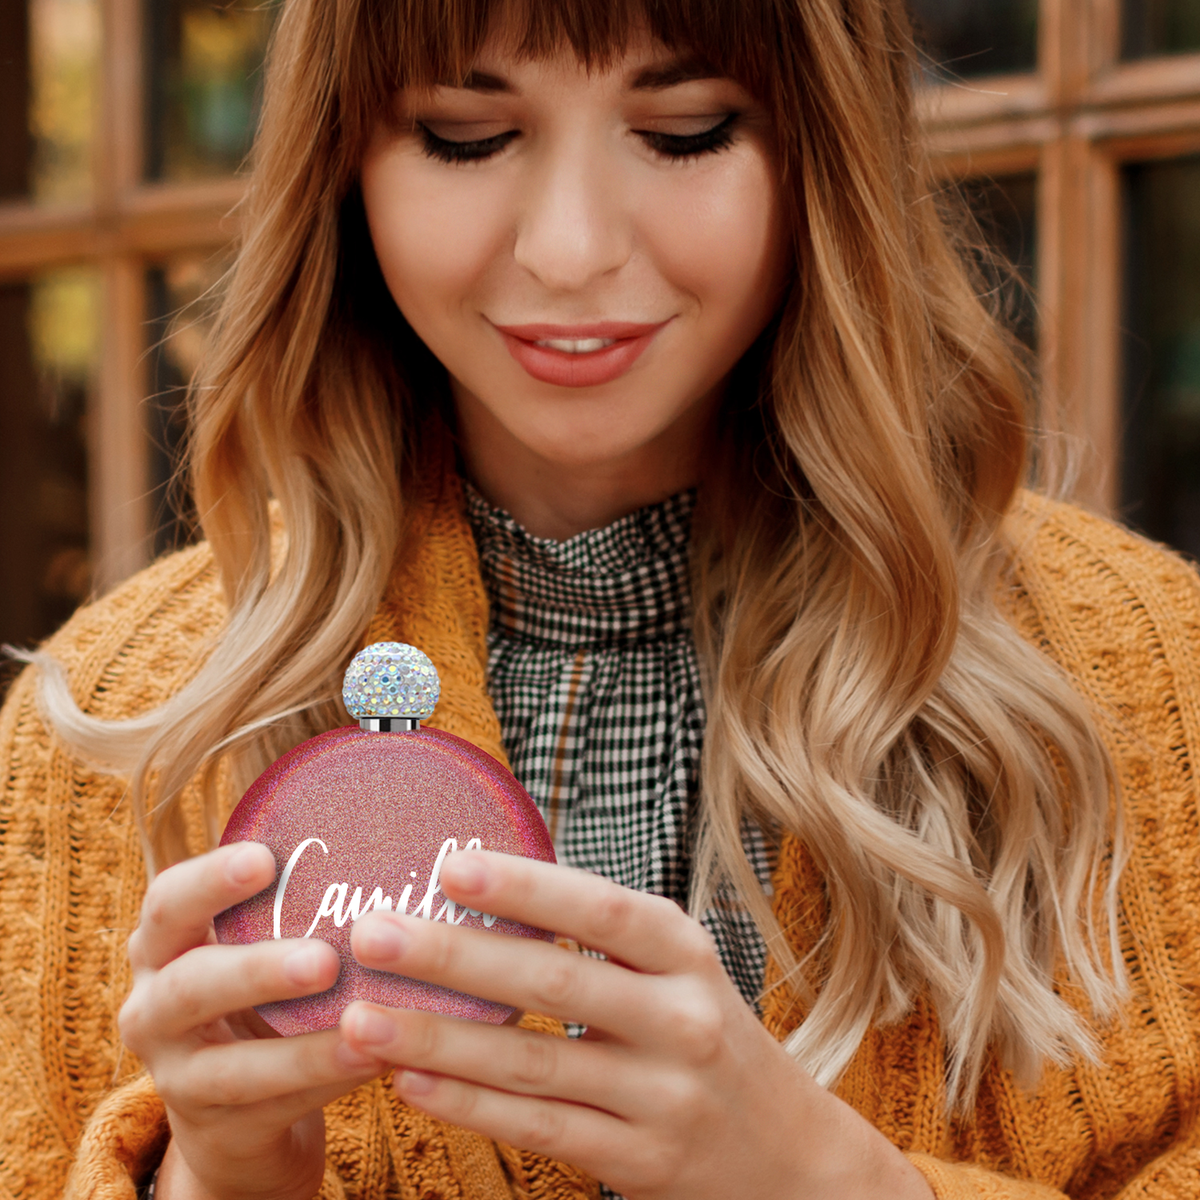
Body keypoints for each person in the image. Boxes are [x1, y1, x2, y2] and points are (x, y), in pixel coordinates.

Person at [3, 0, 1200, 1196]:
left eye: (685, 131)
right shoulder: (114, 727)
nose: (569, 251)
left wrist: (836, 1182)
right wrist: (213, 1179)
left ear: (827, 152)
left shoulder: (1159, 679)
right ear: (341, 162)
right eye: (464, 136)